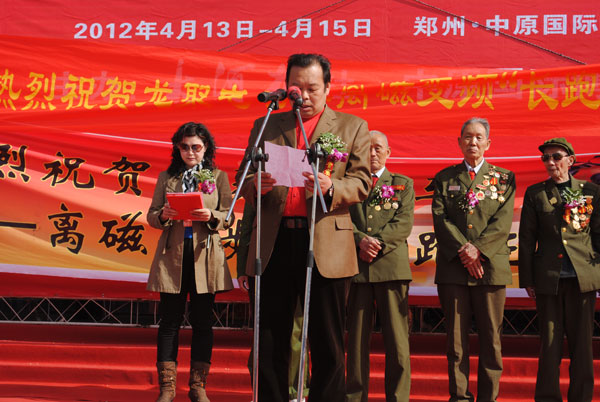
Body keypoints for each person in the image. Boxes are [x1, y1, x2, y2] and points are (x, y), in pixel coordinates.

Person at [236, 53, 371, 402]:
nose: (305, 96)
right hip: (275, 240)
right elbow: (242, 179)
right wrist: (256, 184)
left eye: (313, 88)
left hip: (325, 239)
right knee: (270, 338)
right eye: (298, 89)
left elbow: (361, 181)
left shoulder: (351, 126)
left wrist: (331, 187)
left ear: (328, 87)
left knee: (327, 340)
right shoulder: (267, 124)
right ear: (286, 89)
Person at [146, 122, 234, 402]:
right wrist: (164, 214)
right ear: (177, 148)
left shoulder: (218, 177)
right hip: (172, 254)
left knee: (202, 322)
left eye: (196, 147)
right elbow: (151, 215)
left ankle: (198, 386)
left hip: (203, 255)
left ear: (206, 148)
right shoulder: (166, 177)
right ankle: (167, 388)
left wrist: (211, 216)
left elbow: (228, 215)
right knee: (169, 321)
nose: (190, 152)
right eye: (184, 147)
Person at [431, 117, 516, 402]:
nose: (473, 142)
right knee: (456, 342)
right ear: (459, 142)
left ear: (488, 144)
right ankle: (459, 396)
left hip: (490, 269)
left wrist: (477, 250)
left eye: (479, 137)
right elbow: (440, 219)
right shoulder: (445, 178)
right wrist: (465, 252)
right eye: (468, 136)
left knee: (491, 340)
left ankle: (488, 397)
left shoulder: (504, 178)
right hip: (454, 269)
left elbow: (502, 222)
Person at [518, 137, 600, 402]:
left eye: (556, 156)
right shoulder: (536, 193)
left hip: (582, 277)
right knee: (550, 345)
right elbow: (527, 238)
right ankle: (547, 397)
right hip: (548, 278)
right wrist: (527, 279)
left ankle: (581, 397)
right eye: (546, 158)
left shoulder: (590, 191)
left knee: (582, 346)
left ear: (570, 161)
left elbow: (598, 235)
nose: (551, 162)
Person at [346, 130, 414, 402]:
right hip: (357, 269)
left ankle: (398, 397)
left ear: (388, 152)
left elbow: (403, 223)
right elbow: (339, 218)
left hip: (391, 270)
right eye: (367, 148)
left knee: (397, 343)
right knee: (356, 343)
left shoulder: (403, 183)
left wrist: (376, 244)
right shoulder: (348, 184)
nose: (372, 153)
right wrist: (360, 240)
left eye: (378, 148)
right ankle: (354, 396)